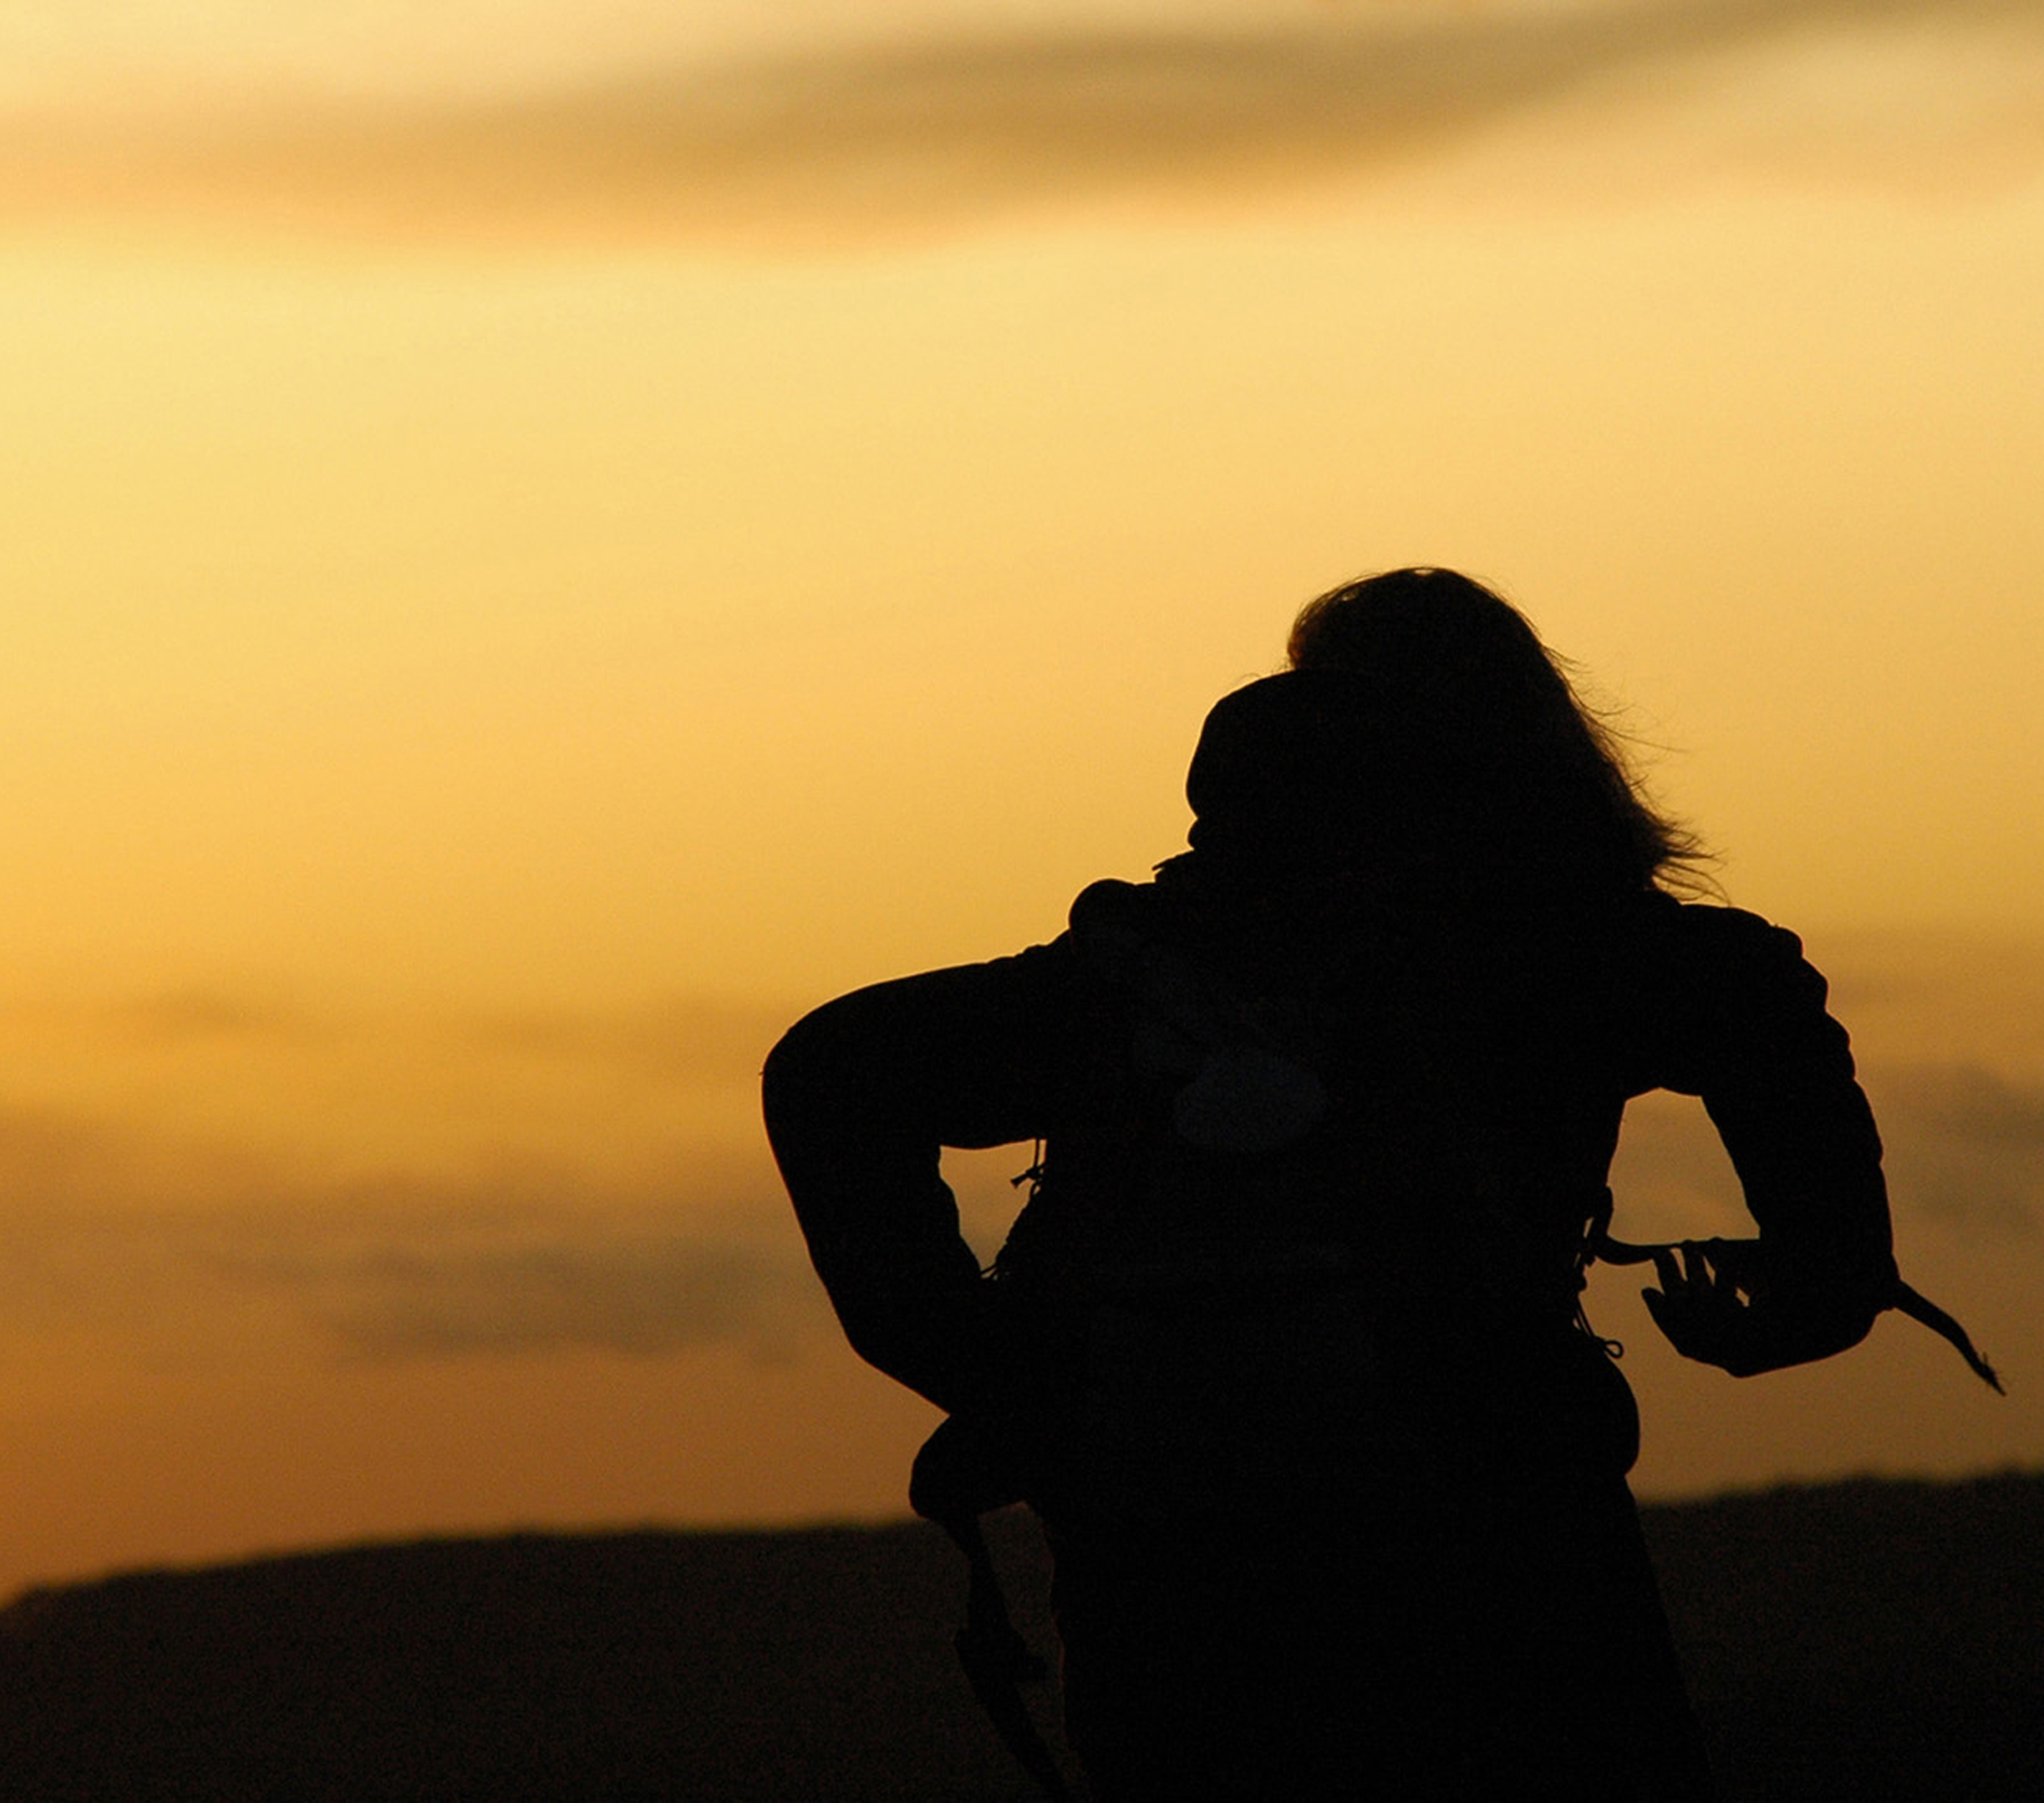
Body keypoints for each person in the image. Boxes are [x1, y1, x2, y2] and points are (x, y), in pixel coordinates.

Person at [764, 569, 1964, 1800]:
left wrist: (1004, 1373)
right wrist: (1803, 1304)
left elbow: (829, 1068)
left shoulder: (1124, 983)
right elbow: (1774, 1049)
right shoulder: (1585, 957)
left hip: (1170, 1569)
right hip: (1496, 1531)